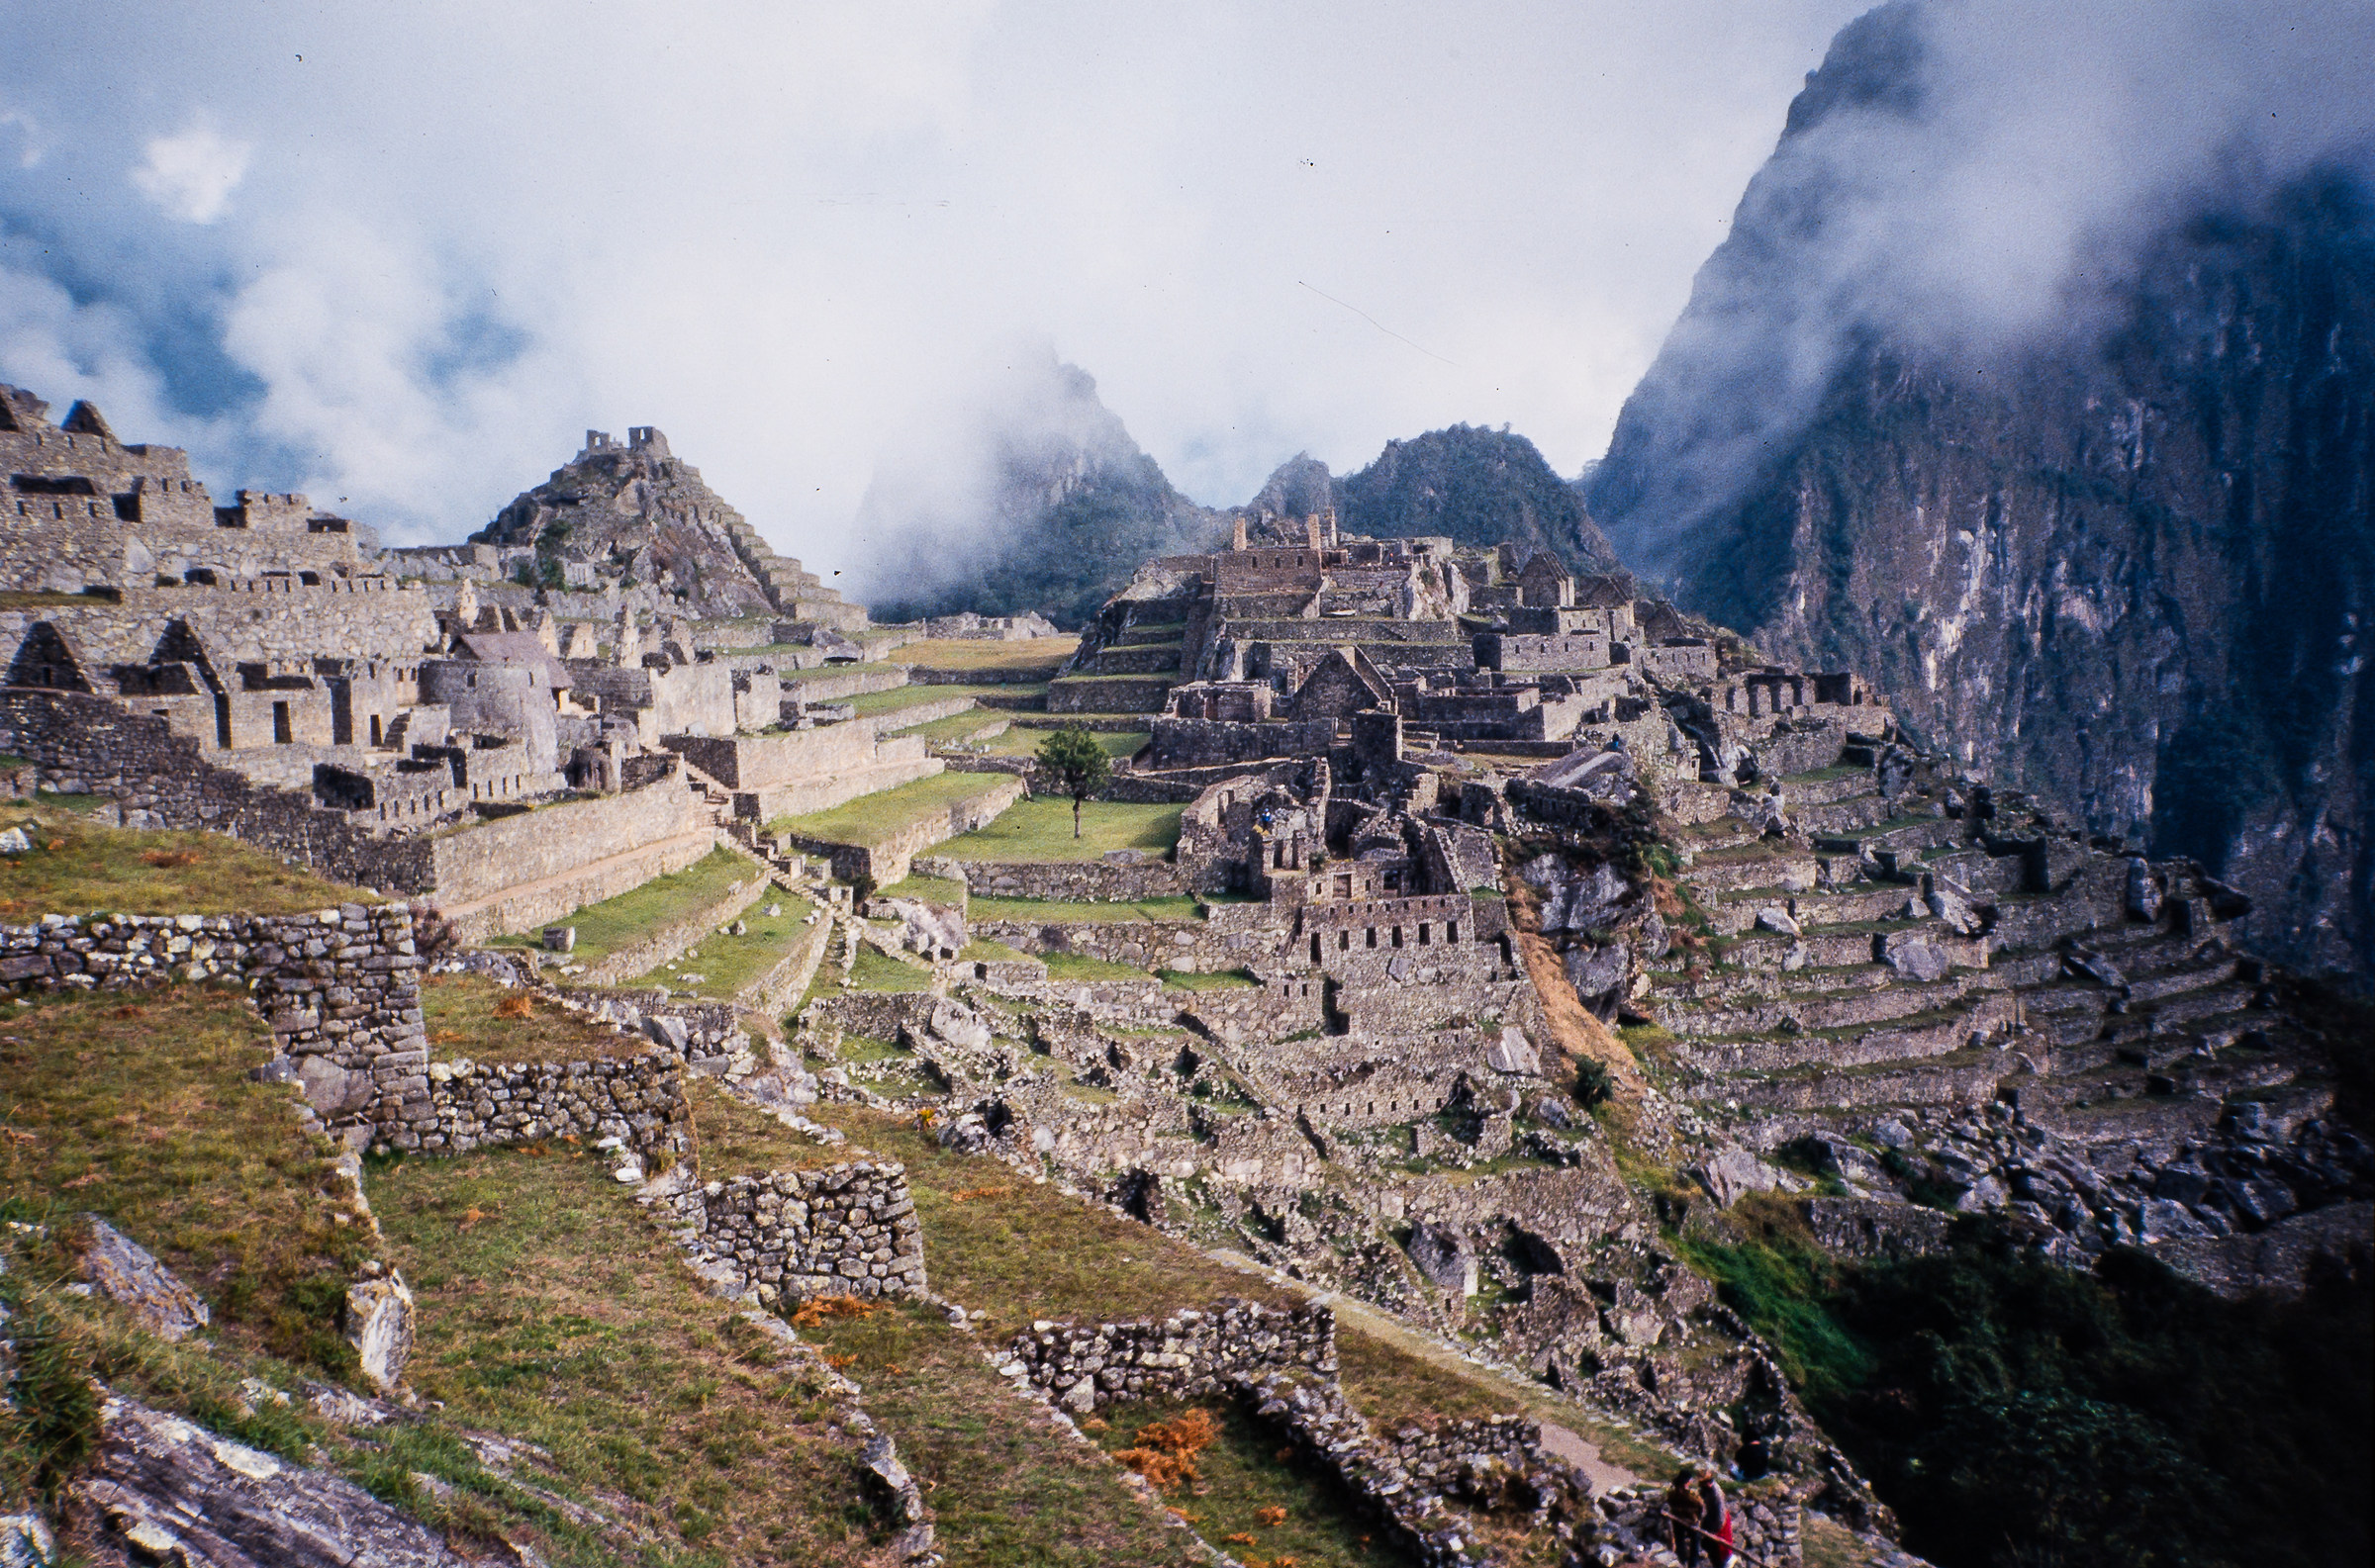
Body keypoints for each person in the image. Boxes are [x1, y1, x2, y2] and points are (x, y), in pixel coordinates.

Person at [1695, 1468, 1735, 1568]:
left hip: (1720, 1521)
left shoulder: (1717, 1494)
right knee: (1710, 1546)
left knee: (1721, 1548)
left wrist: (1715, 1530)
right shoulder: (1705, 1490)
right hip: (1711, 1518)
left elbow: (1720, 1514)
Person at [1665, 1472, 1705, 1566]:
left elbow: (1669, 1503)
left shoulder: (1672, 1494)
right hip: (1691, 1522)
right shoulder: (1692, 1496)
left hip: (1677, 1520)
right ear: (1687, 1483)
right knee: (1695, 1543)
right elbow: (1701, 1506)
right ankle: (1693, 1565)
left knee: (1680, 1541)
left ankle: (1682, 1561)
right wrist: (1698, 1519)